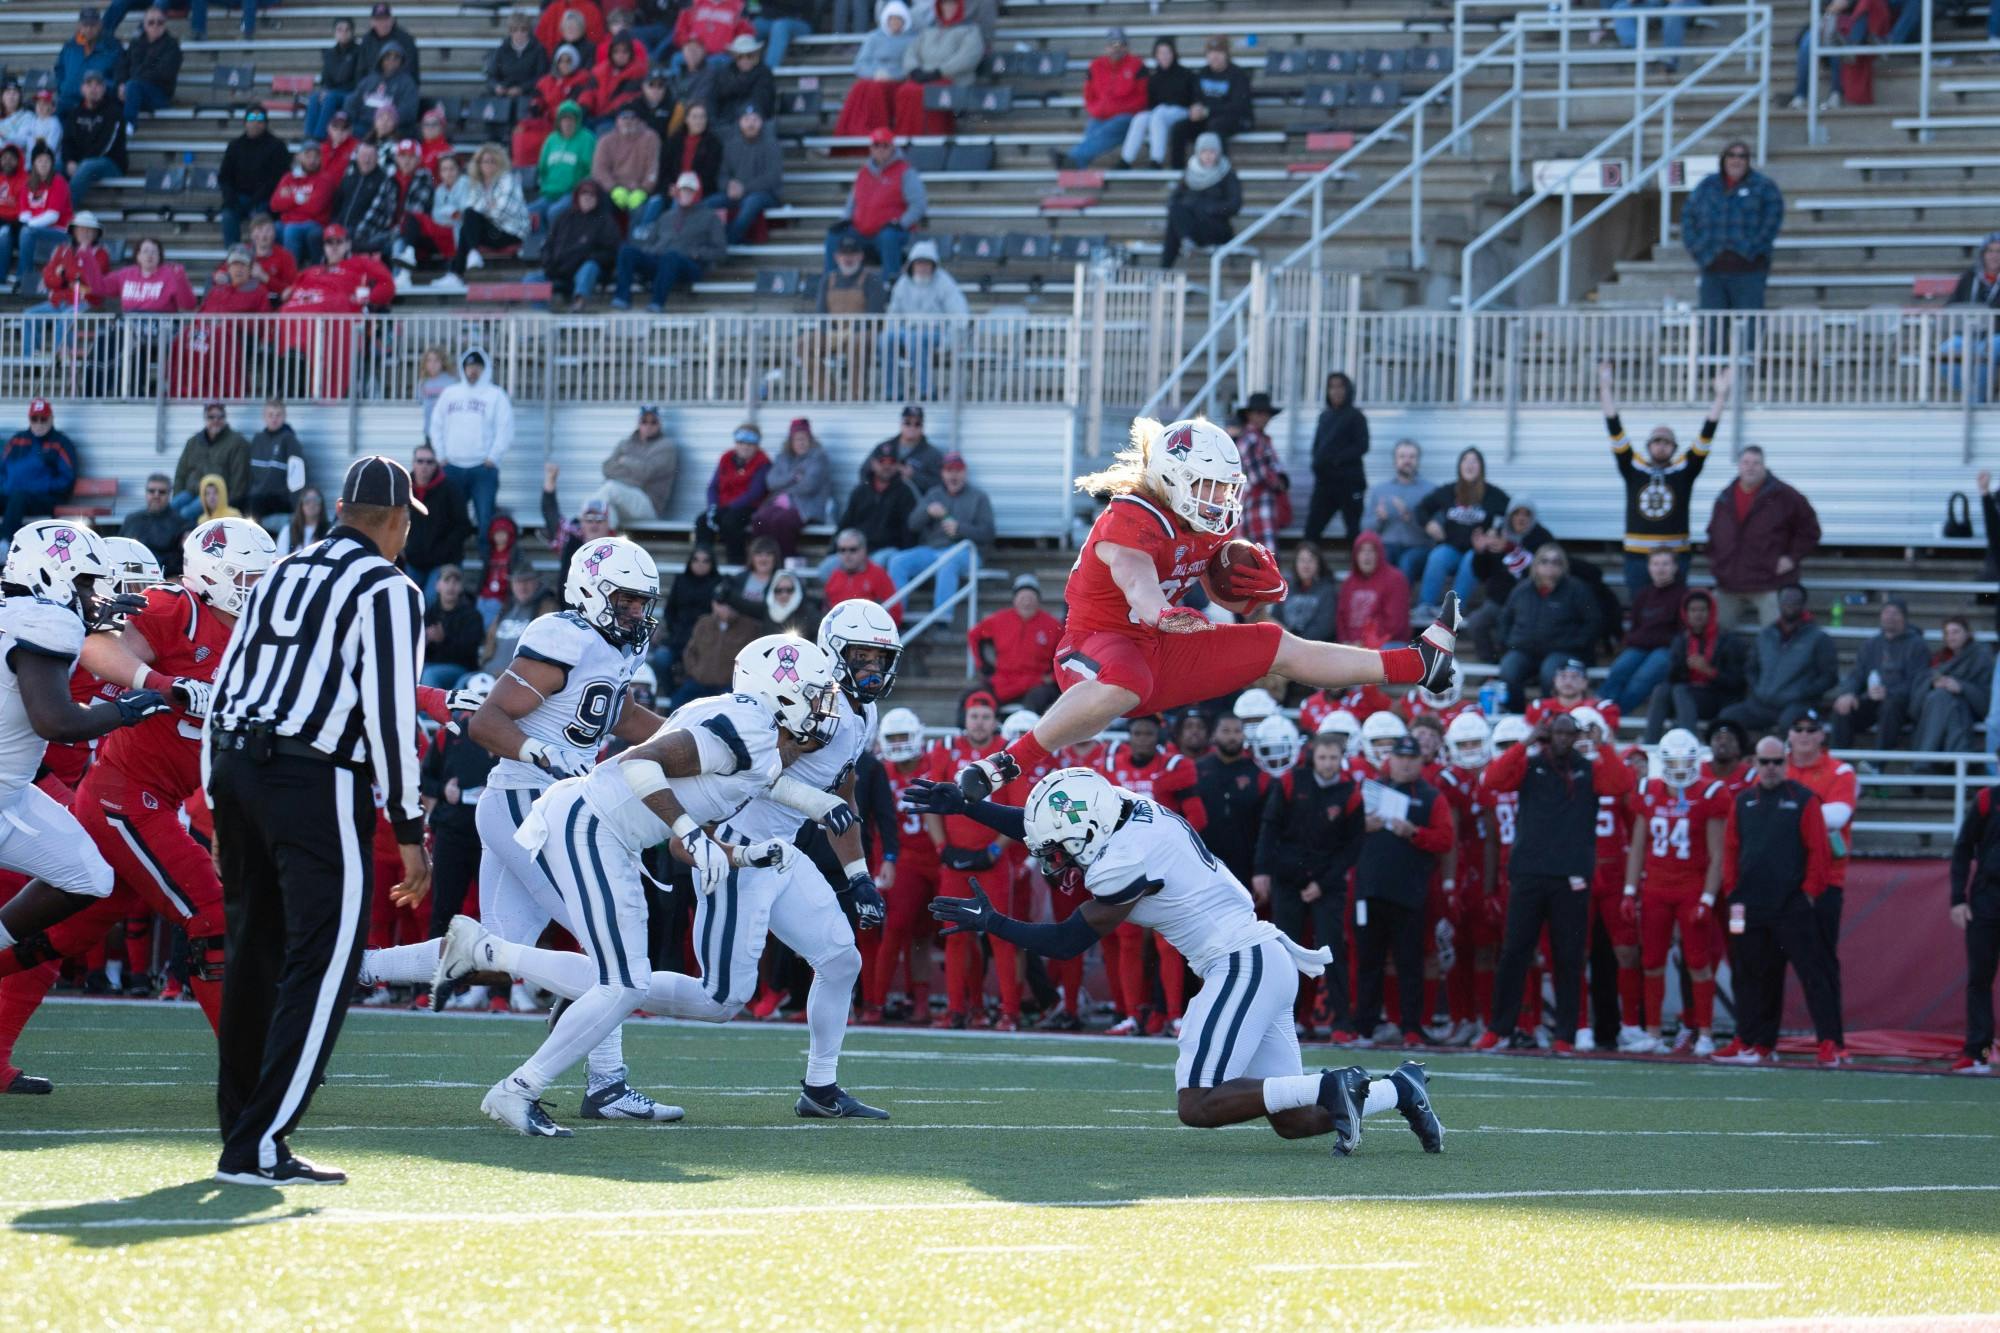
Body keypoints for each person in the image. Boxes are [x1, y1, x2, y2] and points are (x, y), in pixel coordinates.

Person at [437, 635, 890, 1131]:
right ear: (780, 694)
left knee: (625, 980)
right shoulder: (743, 727)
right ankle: (512, 1058)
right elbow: (640, 764)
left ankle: (496, 976)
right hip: (590, 825)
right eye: (815, 694)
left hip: (613, 835)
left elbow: (694, 836)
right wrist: (689, 831)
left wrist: (752, 849)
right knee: (626, 981)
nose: (826, 707)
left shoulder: (763, 746)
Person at [913, 765, 1444, 1154]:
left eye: (1064, 851)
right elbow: (1056, 825)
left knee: (1198, 1103)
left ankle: (1337, 1081)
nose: (1059, 860)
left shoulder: (1119, 862)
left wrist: (993, 923)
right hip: (1260, 959)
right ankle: (1399, 1088)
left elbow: (1066, 942)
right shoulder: (1120, 803)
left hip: (1240, 964)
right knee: (1295, 1118)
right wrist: (969, 806)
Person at [954, 417, 1460, 805]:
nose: (1221, 498)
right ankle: (1006, 762)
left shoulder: (1207, 524)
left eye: (1225, 486)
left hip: (1159, 649)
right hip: (1094, 646)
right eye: (1208, 485)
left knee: (1275, 644)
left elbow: (1224, 592)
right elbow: (1136, 578)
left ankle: (1418, 663)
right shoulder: (1129, 516)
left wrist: (1253, 590)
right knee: (1127, 678)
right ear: (1173, 480)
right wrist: (1158, 612)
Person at [364, 537, 682, 1123]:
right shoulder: (562, 635)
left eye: (644, 602)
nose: (639, 613)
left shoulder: (611, 650)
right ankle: (607, 1083)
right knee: (609, 945)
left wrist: (699, 743)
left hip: (542, 806)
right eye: (629, 601)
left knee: (493, 950)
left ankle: (355, 971)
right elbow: (488, 719)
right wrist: (541, 753)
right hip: (529, 803)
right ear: (593, 593)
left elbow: (624, 717)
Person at [204, 456, 431, 1184]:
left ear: (337, 508)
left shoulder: (278, 570)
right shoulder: (386, 586)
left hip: (237, 764)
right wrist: (408, 827)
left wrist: (215, 803)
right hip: (314, 773)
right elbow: (391, 714)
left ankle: (241, 1130)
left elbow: (226, 683)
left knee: (253, 952)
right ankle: (261, 1142)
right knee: (323, 959)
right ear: (396, 521)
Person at [0, 523, 179, 1089]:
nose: (96, 596)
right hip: (22, 786)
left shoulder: (32, 615)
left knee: (88, 875)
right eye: (86, 582)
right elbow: (55, 721)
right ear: (53, 575)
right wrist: (129, 710)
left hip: (15, 793)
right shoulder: (43, 620)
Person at [1474, 713, 1635, 1052]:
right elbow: (1493, 779)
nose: (1563, 739)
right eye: (1557, 733)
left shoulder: (1589, 769)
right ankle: (1498, 1029)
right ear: (1549, 735)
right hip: (1529, 873)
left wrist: (1603, 744)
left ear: (1576, 736)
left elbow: (1622, 784)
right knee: (1514, 953)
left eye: (1568, 734)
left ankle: (1565, 1035)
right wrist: (1526, 741)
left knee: (1568, 957)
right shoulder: (1531, 764)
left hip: (1571, 876)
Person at [1710, 736, 1844, 1066]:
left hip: (1791, 906)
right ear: (1754, 764)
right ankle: (1752, 1040)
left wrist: (1809, 894)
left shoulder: (1803, 799)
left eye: (1776, 762)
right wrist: (1732, 892)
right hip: (1747, 905)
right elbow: (1730, 850)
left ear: (1786, 764)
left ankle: (1830, 1043)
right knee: (1748, 973)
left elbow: (1819, 851)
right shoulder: (1742, 801)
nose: (1770, 768)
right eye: (1764, 762)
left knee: (1813, 973)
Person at [1623, 730, 1729, 1057]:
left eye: (1686, 761)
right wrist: (1629, 890)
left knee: (1697, 962)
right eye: (1674, 761)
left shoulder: (1710, 793)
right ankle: (1654, 1033)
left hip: (1690, 889)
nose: (1680, 768)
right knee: (1652, 961)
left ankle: (1706, 1033)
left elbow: (1718, 854)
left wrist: (1708, 899)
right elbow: (1638, 845)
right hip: (1655, 888)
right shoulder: (1648, 790)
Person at [1599, 361, 1728, 589]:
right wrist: (1605, 388)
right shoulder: (1633, 467)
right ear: (1648, 446)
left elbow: (1707, 434)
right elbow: (1614, 428)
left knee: (1674, 611)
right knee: (1641, 611)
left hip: (1675, 556)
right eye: (1656, 441)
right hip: (1637, 556)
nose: (1661, 446)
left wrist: (1720, 396)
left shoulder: (1684, 469)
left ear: (1674, 448)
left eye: (1667, 442)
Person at [1706, 445, 1820, 632]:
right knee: (1714, 633)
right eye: (1746, 462)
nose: (1750, 467)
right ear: (1739, 466)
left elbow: (1811, 530)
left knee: (1778, 635)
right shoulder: (1724, 498)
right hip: (1729, 583)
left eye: (1756, 463)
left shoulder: (1785, 495)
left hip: (1770, 583)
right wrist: (1717, 564)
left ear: (1764, 466)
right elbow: (1713, 533)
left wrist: (1792, 557)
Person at [1682, 141, 1784, 327]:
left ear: (1748, 160)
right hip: (1713, 269)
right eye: (1732, 155)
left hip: (1749, 270)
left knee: (1750, 327)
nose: (1736, 160)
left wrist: (1752, 251)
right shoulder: (1707, 185)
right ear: (1723, 159)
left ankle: (1751, 356)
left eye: (1742, 156)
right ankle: (1712, 357)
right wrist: (1699, 249)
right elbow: (1688, 217)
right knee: (1712, 329)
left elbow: (1771, 222)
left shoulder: (1763, 186)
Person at [1716, 583, 1836, 735]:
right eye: (1786, 599)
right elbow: (1751, 668)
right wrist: (1758, 689)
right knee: (1728, 717)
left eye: (1795, 600)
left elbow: (1829, 677)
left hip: (1796, 705)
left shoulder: (1819, 638)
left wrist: (1802, 693)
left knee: (1791, 724)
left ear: (1804, 604)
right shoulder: (1765, 635)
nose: (1790, 604)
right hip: (1760, 703)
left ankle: (1780, 758)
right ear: (1779, 602)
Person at [1495, 545, 1598, 712]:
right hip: (1524, 649)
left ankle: (1549, 718)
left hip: (1562, 651)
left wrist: (1576, 643)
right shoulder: (1521, 590)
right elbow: (1505, 619)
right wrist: (1508, 643)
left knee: (1550, 673)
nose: (1550, 565)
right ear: (1535, 565)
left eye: (1556, 562)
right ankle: (1517, 717)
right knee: (1508, 670)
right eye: (1544, 561)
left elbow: (1593, 622)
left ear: (1563, 566)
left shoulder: (1577, 589)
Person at [430, 347, 513, 554]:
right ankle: (450, 568)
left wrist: (493, 458)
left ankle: (488, 573)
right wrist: (441, 456)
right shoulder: (450, 393)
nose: (472, 371)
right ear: (463, 368)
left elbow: (506, 428)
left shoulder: (496, 395)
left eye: (477, 366)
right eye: (469, 366)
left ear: (484, 369)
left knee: (486, 522)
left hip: (482, 470)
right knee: (450, 521)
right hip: (452, 468)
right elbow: (436, 425)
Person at [885, 450, 991, 611]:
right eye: (949, 471)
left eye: (958, 470)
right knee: (897, 561)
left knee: (948, 561)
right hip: (932, 551)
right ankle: (895, 617)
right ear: (942, 473)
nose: (953, 475)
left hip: (966, 552)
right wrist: (926, 512)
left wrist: (960, 528)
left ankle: (942, 622)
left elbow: (988, 533)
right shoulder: (933, 494)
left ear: (965, 472)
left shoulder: (979, 497)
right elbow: (912, 525)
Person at [1412, 446, 1509, 616]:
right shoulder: (1449, 491)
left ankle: (1453, 611)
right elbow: (1421, 508)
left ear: (1481, 467)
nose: (1470, 465)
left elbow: (1512, 514)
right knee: (1437, 555)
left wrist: (1497, 532)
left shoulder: (1493, 494)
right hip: (1452, 549)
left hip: (1478, 553)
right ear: (1459, 466)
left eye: (1474, 461)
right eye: (1465, 460)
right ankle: (1424, 607)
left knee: (1471, 559)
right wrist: (1429, 524)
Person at [610, 171, 724, 312]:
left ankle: (657, 303)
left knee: (671, 256)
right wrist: (652, 251)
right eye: (683, 190)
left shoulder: (710, 217)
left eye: (690, 191)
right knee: (627, 251)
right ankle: (622, 298)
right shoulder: (666, 216)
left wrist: (696, 253)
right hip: (660, 259)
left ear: (697, 193)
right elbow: (649, 243)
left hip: (688, 264)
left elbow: (720, 250)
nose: (686, 194)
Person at [1948, 779, 2000, 1073]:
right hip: (1986, 902)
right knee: (1980, 978)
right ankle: (1979, 1052)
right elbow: (1963, 847)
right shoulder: (1986, 800)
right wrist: (1957, 898)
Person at [1829, 596, 1929, 750]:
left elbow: (1917, 681)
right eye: (1886, 612)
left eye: (1895, 613)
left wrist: (1888, 692)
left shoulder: (1917, 645)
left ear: (1904, 618)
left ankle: (1876, 764)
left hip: (1903, 706)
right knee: (1842, 707)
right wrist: (1848, 693)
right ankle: (1839, 764)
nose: (1890, 617)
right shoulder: (1870, 645)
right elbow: (1857, 674)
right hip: (1870, 701)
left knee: (1890, 705)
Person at [823, 128, 924, 277]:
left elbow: (918, 205)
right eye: (876, 145)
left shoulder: (905, 171)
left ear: (892, 147)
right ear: (871, 148)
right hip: (861, 231)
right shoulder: (863, 172)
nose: (880, 149)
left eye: (885, 145)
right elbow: (852, 202)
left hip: (891, 231)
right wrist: (844, 220)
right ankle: (831, 283)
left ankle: (890, 283)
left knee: (889, 237)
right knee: (834, 235)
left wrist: (901, 223)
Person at [1644, 589, 1740, 741]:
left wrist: (1709, 672)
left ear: (1711, 612)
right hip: (1685, 697)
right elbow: (1672, 677)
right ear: (1686, 613)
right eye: (1693, 610)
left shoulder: (1728, 641)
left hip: (1715, 697)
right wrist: (1685, 667)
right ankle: (1649, 743)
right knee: (1661, 690)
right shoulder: (1681, 641)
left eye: (1702, 610)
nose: (1698, 614)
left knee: (1680, 690)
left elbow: (1737, 683)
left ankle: (1689, 742)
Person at [1601, 550, 1687, 714]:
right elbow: (1635, 627)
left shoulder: (1683, 595)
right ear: (1648, 567)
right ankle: (1598, 711)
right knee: (1618, 670)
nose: (1660, 569)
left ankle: (1615, 715)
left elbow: (1682, 633)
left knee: (1642, 679)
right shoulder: (1643, 594)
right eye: (1655, 564)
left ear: (1675, 567)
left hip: (1666, 649)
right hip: (1640, 647)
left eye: (1665, 564)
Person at [436, 143, 530, 287]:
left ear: (500, 163)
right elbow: (471, 208)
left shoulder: (507, 179)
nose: (488, 164)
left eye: (493, 161)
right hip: (492, 230)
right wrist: (489, 206)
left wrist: (484, 210)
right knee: (468, 219)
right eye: (485, 161)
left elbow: (502, 210)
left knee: (468, 223)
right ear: (478, 164)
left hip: (510, 233)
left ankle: (457, 272)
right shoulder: (477, 184)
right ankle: (468, 259)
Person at [969, 573, 1060, 711]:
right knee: (974, 698)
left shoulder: (1052, 625)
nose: (1026, 602)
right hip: (1002, 682)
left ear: (1038, 600)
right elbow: (974, 635)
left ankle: (1031, 733)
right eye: (1022, 597)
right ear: (1015, 599)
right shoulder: (999, 620)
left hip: (1035, 682)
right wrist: (983, 666)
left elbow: (1067, 655)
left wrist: (1053, 677)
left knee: (1038, 702)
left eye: (1031, 597)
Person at [1060, 28, 1147, 170]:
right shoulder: (1095, 66)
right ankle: (1074, 165)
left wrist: (1117, 110)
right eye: (1112, 44)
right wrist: (1097, 110)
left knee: (1107, 129)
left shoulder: (1137, 66)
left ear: (1126, 47)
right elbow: (1089, 95)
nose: (1116, 49)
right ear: (1106, 47)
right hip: (1101, 116)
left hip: (1126, 117)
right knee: (1093, 130)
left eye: (1120, 45)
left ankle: (1072, 158)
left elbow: (1142, 98)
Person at [1166, 36, 1254, 170]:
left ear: (1227, 54)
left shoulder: (1238, 75)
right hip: (1207, 118)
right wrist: (1195, 108)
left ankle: (1220, 172)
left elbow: (1237, 106)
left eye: (1219, 52)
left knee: (1215, 127)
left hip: (1235, 119)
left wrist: (1208, 111)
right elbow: (1196, 98)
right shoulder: (1202, 73)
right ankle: (1177, 173)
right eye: (1211, 53)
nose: (1215, 56)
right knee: (1179, 128)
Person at [1910, 615, 1993, 755]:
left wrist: (1961, 687)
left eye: (1956, 632)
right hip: (1939, 707)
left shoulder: (1981, 658)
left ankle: (1924, 757)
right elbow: (1916, 699)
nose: (1951, 637)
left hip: (1970, 709)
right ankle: (1946, 758)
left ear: (1967, 633)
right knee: (1940, 696)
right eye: (1947, 633)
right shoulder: (1939, 658)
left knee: (1943, 699)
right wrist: (1933, 684)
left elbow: (1987, 698)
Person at [1157, 132, 1239, 269]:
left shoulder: (1228, 175)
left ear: (1218, 153)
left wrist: (1210, 208)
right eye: (1204, 152)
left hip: (1215, 227)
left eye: (1212, 152)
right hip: (1193, 226)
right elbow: (1174, 199)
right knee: (1175, 211)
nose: (1208, 156)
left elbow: (1235, 204)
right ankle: (1186, 241)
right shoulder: (1190, 172)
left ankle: (1164, 268)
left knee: (1174, 226)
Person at [835, 3, 916, 139]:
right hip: (875, 78)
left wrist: (892, 76)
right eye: (892, 19)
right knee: (861, 86)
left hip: (896, 82)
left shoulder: (911, 40)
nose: (895, 22)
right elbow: (860, 63)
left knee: (873, 88)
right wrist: (875, 74)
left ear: (904, 21)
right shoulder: (873, 37)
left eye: (898, 19)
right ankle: (854, 132)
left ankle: (877, 131)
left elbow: (910, 65)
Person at [0, 399, 78, 538]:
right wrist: (5, 485)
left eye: (43, 419)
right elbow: (2, 468)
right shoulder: (17, 440)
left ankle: (5, 545)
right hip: (12, 497)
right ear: (29, 419)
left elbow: (67, 479)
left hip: (45, 499)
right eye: (34, 419)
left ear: (51, 419)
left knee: (19, 497)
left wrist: (39, 486)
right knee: (15, 498)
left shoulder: (60, 443)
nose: (39, 423)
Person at [1305, 372, 1368, 544]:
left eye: (1340, 386)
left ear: (1348, 390)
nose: (1336, 391)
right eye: (1332, 387)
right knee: (1312, 531)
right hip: (1325, 484)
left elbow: (1362, 446)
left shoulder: (1356, 416)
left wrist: (1335, 460)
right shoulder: (1324, 417)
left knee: (1354, 532)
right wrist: (1317, 464)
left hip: (1350, 483)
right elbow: (1317, 446)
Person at [541, 176, 621, 309]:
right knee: (531, 279)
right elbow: (548, 244)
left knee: (590, 267)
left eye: (592, 194)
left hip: (585, 271)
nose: (587, 197)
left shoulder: (605, 220)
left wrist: (583, 258)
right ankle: (542, 313)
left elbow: (611, 251)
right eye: (584, 193)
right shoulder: (563, 217)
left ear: (598, 197)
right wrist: (548, 263)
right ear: (577, 196)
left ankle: (580, 302)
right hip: (558, 270)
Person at [401, 443, 472, 593]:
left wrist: (444, 551)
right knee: (407, 598)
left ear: (436, 464)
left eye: (429, 461)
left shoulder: (450, 489)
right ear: (413, 463)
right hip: (413, 561)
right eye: (420, 461)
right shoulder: (403, 489)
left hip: (442, 562)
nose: (424, 466)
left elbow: (463, 526)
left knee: (431, 600)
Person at [591, 403, 677, 525]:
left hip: (649, 505)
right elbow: (607, 468)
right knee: (606, 508)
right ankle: (606, 542)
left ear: (660, 424)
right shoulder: (626, 443)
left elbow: (647, 473)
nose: (648, 426)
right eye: (644, 421)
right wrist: (635, 474)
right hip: (623, 501)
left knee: (610, 489)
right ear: (638, 423)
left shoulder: (666, 446)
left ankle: (579, 532)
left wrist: (625, 461)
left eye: (653, 422)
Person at [837, 440, 917, 573]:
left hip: (888, 550)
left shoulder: (905, 492)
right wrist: (833, 550)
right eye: (882, 462)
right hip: (856, 549)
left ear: (897, 465)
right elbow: (845, 523)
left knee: (875, 564)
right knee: (827, 568)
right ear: (873, 464)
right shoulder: (860, 491)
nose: (886, 466)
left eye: (891, 462)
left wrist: (905, 555)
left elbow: (909, 531)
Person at [695, 423, 769, 561]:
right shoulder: (726, 458)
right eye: (741, 442)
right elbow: (713, 486)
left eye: (750, 443)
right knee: (702, 521)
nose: (745, 446)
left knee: (731, 522)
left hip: (748, 507)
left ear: (757, 445)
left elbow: (755, 493)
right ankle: (702, 563)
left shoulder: (762, 463)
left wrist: (728, 507)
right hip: (723, 507)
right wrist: (713, 507)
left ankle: (736, 563)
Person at [216, 107, 288, 249]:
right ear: (245, 123)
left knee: (260, 216)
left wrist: (258, 198)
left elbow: (278, 179)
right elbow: (224, 177)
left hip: (265, 198)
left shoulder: (277, 146)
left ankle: (260, 256)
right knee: (228, 215)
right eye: (251, 119)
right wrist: (230, 196)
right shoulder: (235, 146)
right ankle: (234, 256)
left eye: (260, 119)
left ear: (266, 123)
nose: (255, 123)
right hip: (239, 197)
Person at [711, 104, 782, 244]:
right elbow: (722, 175)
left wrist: (744, 188)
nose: (751, 124)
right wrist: (728, 185)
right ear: (740, 122)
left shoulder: (772, 144)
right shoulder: (731, 145)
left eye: (755, 120)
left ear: (761, 122)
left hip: (765, 195)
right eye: (747, 120)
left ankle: (728, 241)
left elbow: (773, 178)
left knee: (751, 202)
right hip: (736, 194)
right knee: (708, 204)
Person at [170, 402, 250, 522]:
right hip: (191, 492)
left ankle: (187, 539)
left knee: (186, 513)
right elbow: (181, 473)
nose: (216, 420)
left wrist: (230, 504)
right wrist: (177, 494)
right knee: (170, 509)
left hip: (214, 496)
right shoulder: (193, 442)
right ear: (205, 418)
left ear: (225, 418)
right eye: (211, 417)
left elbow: (240, 478)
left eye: (220, 417)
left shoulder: (237, 443)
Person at [1366, 439, 1432, 580]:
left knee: (1407, 562)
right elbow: (1365, 528)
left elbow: (1437, 531)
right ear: (1395, 461)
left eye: (1412, 457)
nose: (1407, 461)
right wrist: (1379, 519)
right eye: (1402, 456)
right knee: (1382, 557)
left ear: (1418, 460)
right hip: (1387, 545)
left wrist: (1411, 518)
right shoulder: (1380, 490)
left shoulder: (1430, 491)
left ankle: (1400, 602)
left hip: (1418, 547)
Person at [58, 71, 125, 208]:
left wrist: (80, 164)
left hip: (110, 165)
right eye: (89, 84)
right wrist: (70, 161)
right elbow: (67, 141)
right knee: (53, 166)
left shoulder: (114, 112)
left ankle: (64, 213)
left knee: (87, 166)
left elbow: (106, 146)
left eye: (98, 85)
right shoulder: (75, 112)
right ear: (82, 88)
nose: (93, 88)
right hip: (82, 164)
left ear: (104, 89)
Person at [1335, 532, 1408, 650]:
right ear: (1355, 555)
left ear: (1379, 553)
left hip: (1386, 645)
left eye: (1371, 551)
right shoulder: (1348, 583)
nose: (1366, 556)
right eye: (1362, 551)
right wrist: (1346, 642)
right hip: (1352, 647)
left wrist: (1364, 643)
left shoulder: (1395, 579)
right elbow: (1341, 618)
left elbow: (1394, 625)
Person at [531, 102, 596, 233]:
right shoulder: (551, 139)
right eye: (564, 119)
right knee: (529, 212)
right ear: (558, 121)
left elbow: (591, 169)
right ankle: (541, 246)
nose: (567, 122)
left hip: (572, 193)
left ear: (577, 120)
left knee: (555, 212)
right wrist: (545, 185)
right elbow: (542, 167)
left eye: (571, 119)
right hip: (550, 193)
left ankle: (557, 246)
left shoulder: (587, 138)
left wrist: (581, 190)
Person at [243, 397, 305, 532]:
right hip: (257, 497)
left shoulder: (289, 440)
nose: (274, 419)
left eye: (278, 415)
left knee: (254, 506)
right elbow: (249, 475)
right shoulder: (257, 439)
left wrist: (297, 508)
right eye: (270, 415)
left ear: (284, 416)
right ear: (264, 417)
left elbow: (297, 478)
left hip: (280, 498)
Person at [762, 417, 836, 529]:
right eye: (797, 439)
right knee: (760, 520)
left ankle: (784, 547)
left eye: (804, 439)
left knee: (781, 521)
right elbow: (771, 482)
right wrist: (792, 477)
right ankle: (765, 547)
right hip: (781, 504)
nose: (801, 443)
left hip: (806, 509)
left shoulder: (818, 458)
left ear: (810, 440)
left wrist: (782, 488)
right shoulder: (782, 458)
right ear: (791, 442)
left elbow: (808, 486)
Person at [329, 139, 398, 258]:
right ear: (357, 157)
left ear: (377, 158)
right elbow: (336, 206)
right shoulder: (348, 178)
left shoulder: (384, 180)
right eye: (363, 156)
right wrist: (334, 226)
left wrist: (355, 231)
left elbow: (382, 214)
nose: (366, 160)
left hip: (365, 231)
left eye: (371, 156)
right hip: (342, 227)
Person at [270, 140, 335, 264]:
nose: (312, 160)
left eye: (316, 156)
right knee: (270, 229)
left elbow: (314, 207)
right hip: (288, 221)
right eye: (308, 155)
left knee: (291, 230)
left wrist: (289, 199)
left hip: (314, 223)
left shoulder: (325, 179)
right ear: (299, 157)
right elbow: (274, 204)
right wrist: (298, 199)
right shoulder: (289, 177)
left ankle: (291, 274)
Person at [116, 7, 180, 131]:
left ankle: (128, 126)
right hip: (135, 91)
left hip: (159, 95)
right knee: (108, 88)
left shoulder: (171, 46)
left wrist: (131, 83)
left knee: (134, 86)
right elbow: (123, 65)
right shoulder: (136, 43)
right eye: (151, 22)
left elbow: (163, 72)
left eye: (160, 22)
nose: (155, 25)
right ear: (144, 25)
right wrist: (121, 84)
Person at [420, 566, 484, 689]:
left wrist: (443, 639)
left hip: (462, 668)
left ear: (461, 587)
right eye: (446, 580)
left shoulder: (472, 615)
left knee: (429, 675)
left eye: (456, 582)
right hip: (431, 664)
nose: (451, 586)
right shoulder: (429, 613)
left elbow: (469, 653)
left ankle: (431, 709)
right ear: (437, 586)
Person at [591, 105, 659, 214]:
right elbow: (599, 170)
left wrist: (643, 190)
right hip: (613, 190)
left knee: (641, 209)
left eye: (632, 118)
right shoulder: (606, 140)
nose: (628, 121)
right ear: (617, 120)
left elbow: (652, 169)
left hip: (638, 190)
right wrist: (613, 188)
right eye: (624, 118)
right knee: (600, 205)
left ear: (638, 120)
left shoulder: (650, 138)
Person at [868, 403, 945, 497]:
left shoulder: (933, 454)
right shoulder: (884, 447)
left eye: (917, 424)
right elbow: (864, 472)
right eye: (907, 422)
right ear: (901, 424)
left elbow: (941, 485)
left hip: (916, 507)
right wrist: (882, 471)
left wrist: (913, 476)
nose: (912, 427)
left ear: (923, 427)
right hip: (884, 503)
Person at [54, 10, 122, 116]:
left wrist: (100, 88)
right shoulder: (69, 47)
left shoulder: (113, 48)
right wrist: (63, 87)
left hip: (98, 104)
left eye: (93, 25)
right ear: (79, 26)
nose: (89, 29)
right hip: (69, 101)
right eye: (85, 25)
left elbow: (119, 77)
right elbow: (59, 69)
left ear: (100, 25)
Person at [305, 18, 362, 143]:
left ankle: (319, 137)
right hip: (332, 91)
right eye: (340, 30)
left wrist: (330, 92)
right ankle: (308, 137)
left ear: (352, 32)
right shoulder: (329, 54)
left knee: (330, 97)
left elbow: (358, 80)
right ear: (334, 32)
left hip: (350, 92)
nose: (343, 33)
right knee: (315, 97)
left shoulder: (359, 52)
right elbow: (325, 79)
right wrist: (324, 91)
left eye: (347, 30)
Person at [122, 471, 190, 572]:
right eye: (152, 491)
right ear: (146, 493)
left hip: (165, 581)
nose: (156, 495)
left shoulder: (181, 524)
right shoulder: (131, 520)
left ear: (169, 494)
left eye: (161, 492)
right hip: (131, 579)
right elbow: (119, 551)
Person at [587, 33, 653, 129]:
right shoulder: (599, 71)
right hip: (596, 115)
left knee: (603, 129)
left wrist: (603, 116)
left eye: (624, 52)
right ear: (611, 53)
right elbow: (589, 92)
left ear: (631, 53)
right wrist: (583, 107)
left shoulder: (637, 73)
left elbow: (624, 99)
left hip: (618, 118)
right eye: (616, 52)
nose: (620, 55)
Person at [1279, 542, 1337, 644]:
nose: (1306, 565)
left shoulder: (1327, 590)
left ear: (1318, 564)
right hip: (1286, 646)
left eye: (1310, 560)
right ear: (1295, 563)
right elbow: (1276, 618)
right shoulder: (1286, 588)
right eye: (1302, 560)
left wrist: (1297, 642)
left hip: (1315, 648)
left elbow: (1325, 627)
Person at [712, 33, 775, 123]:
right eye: (740, 56)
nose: (744, 60)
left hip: (755, 124)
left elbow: (762, 104)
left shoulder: (764, 74)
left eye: (749, 55)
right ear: (734, 57)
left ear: (756, 56)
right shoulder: (726, 72)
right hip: (728, 124)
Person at [487, 12, 550, 100]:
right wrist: (496, 87)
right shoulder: (501, 50)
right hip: (504, 96)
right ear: (510, 31)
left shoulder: (539, 50)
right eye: (514, 30)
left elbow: (542, 77)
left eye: (523, 29)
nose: (519, 33)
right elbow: (491, 76)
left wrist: (522, 89)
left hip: (529, 96)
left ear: (529, 30)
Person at [358, 2, 421, 88]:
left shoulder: (406, 39)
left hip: (399, 88)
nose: (382, 24)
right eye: (378, 20)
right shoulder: (367, 40)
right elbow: (361, 70)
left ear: (392, 20)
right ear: (372, 22)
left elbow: (410, 70)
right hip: (372, 88)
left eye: (385, 19)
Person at [278, 486, 328, 558]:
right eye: (307, 500)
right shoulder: (288, 530)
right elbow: (280, 559)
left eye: (316, 500)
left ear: (321, 504)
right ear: (301, 505)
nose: (312, 504)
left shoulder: (328, 531)